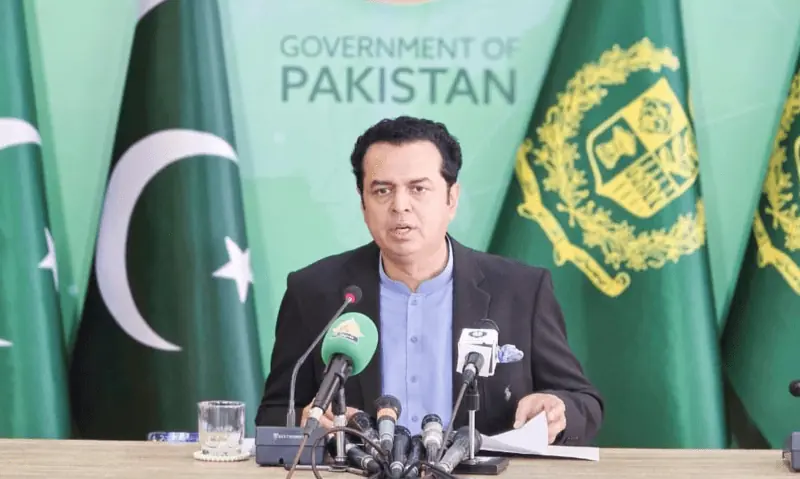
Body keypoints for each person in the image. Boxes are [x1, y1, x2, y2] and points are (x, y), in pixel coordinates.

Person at [255, 116, 603, 445]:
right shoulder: (316, 293)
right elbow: (273, 413)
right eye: (382, 191)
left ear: (451, 199)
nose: (400, 205)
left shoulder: (521, 291)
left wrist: (557, 408)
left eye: (418, 188)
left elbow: (583, 403)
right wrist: (306, 421)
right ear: (363, 204)